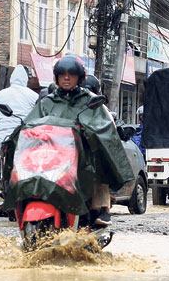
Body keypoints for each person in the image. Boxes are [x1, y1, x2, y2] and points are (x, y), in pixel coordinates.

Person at [21, 55, 133, 226]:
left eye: (71, 74)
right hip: (52, 156)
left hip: (83, 156)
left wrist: (88, 132)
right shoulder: (47, 102)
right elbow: (31, 125)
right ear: (57, 77)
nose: (66, 78)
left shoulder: (89, 101)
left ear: (79, 77)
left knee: (99, 166)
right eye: (62, 74)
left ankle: (101, 209)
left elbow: (103, 128)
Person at [0, 65, 38, 219]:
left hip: (1, 142)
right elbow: (40, 117)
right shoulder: (32, 96)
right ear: (25, 79)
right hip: (25, 143)